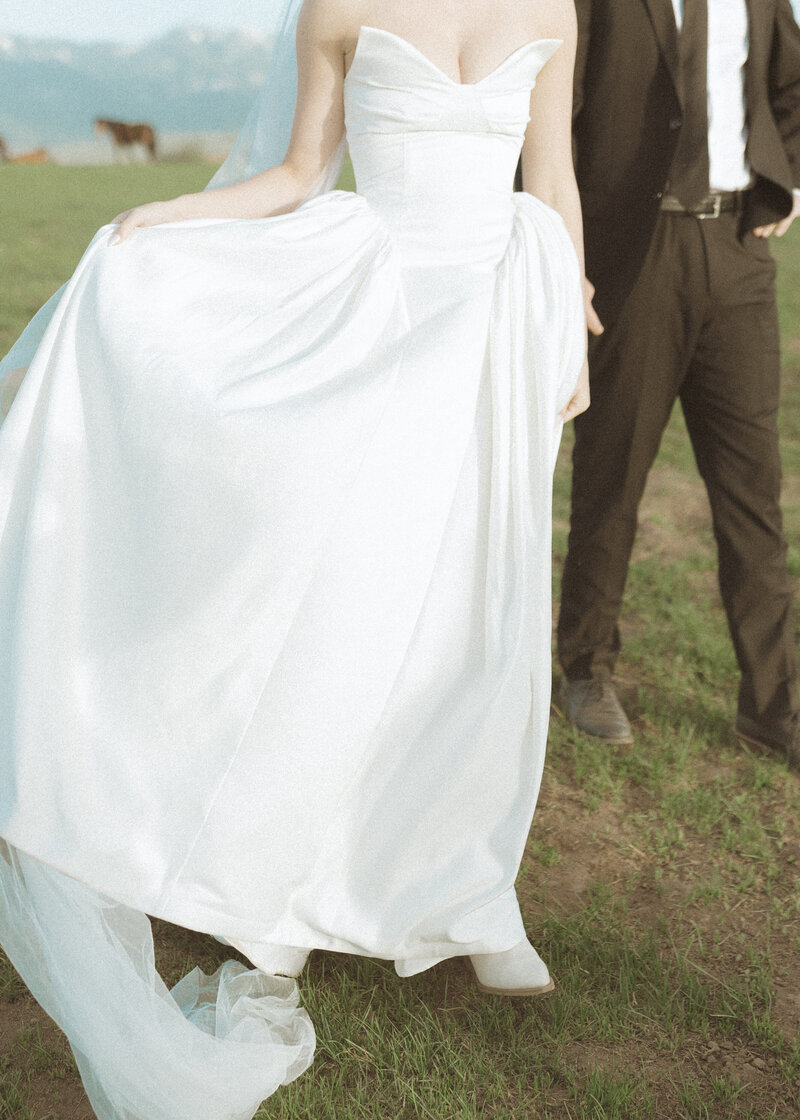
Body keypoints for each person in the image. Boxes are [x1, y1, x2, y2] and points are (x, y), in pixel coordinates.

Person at [0, 0, 592, 1116]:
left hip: (497, 337)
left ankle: (470, 891)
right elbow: (297, 173)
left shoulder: (550, 5)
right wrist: (172, 213)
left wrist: (566, 330)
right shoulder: (340, 4)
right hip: (379, 326)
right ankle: (277, 894)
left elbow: (552, 187)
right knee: (347, 611)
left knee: (480, 616)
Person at [558, 0, 800, 767]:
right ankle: (586, 669)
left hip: (737, 255)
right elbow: (554, 113)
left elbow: (794, 86)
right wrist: (564, 255)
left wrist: (786, 180)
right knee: (612, 475)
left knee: (754, 493)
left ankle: (775, 706)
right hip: (633, 252)